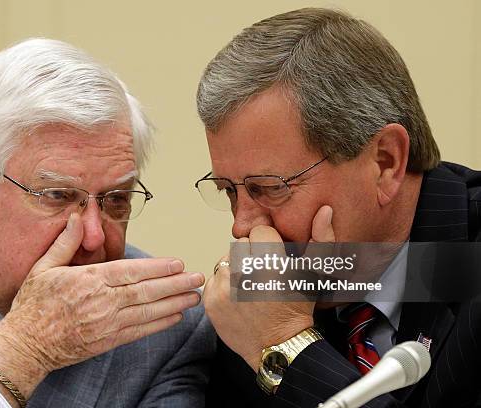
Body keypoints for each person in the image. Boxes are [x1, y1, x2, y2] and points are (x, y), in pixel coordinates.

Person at [0, 38, 214, 407]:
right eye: (58, 196)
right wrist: (23, 349)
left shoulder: (166, 329)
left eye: (116, 200)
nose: (94, 237)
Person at [195, 8, 481, 407]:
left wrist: (287, 346)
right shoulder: (265, 300)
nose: (242, 227)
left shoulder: (466, 262)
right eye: (229, 191)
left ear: (385, 163)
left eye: (270, 188)